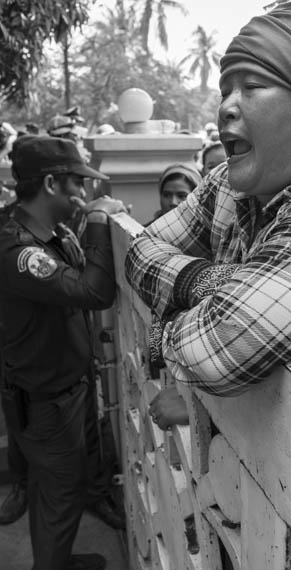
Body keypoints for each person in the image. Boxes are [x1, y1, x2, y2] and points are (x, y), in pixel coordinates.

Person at [124, 1, 291, 431]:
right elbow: (139, 250)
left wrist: (165, 323)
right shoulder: (228, 183)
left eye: (253, 87)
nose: (226, 107)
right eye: (226, 90)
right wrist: (204, 281)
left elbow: (213, 354)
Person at [0, 135, 126, 570]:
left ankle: (53, 561)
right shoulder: (18, 251)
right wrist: (97, 219)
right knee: (62, 494)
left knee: (50, 492)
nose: (84, 193)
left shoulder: (46, 231)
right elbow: (93, 291)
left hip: (57, 391)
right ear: (52, 183)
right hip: (47, 402)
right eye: (77, 184)